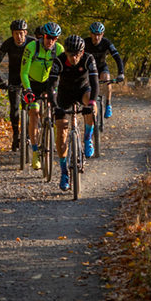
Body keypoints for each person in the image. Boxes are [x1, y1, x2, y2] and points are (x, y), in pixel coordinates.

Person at [48, 34, 98, 191]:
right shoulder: (59, 61)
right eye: (71, 54)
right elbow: (51, 86)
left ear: (82, 53)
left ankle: (88, 138)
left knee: (92, 103)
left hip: (83, 90)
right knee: (61, 133)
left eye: (77, 54)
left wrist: (90, 104)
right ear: (66, 53)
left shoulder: (89, 59)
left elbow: (95, 83)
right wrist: (55, 106)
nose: (74, 58)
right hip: (64, 95)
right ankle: (64, 172)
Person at [20, 21, 64, 169]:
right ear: (43, 36)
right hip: (33, 83)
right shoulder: (31, 47)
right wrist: (28, 89)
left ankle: (56, 139)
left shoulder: (59, 49)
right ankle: (34, 152)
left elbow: (64, 73)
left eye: (54, 38)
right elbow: (24, 72)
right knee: (34, 112)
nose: (50, 40)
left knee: (57, 109)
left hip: (50, 83)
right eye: (48, 37)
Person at [0, 19, 33, 151]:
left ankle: (27, 134)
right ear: (12, 34)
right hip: (14, 78)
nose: (19, 36)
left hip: (29, 79)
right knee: (15, 108)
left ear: (25, 33)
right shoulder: (8, 43)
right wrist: (0, 81)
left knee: (29, 108)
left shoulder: (33, 43)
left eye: (21, 33)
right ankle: (16, 134)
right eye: (16, 33)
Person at [83, 21, 124, 118]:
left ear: (102, 34)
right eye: (94, 35)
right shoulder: (85, 43)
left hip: (101, 67)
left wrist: (121, 73)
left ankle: (108, 104)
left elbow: (117, 57)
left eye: (99, 35)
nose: (96, 38)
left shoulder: (106, 43)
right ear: (90, 34)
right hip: (88, 68)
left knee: (106, 78)